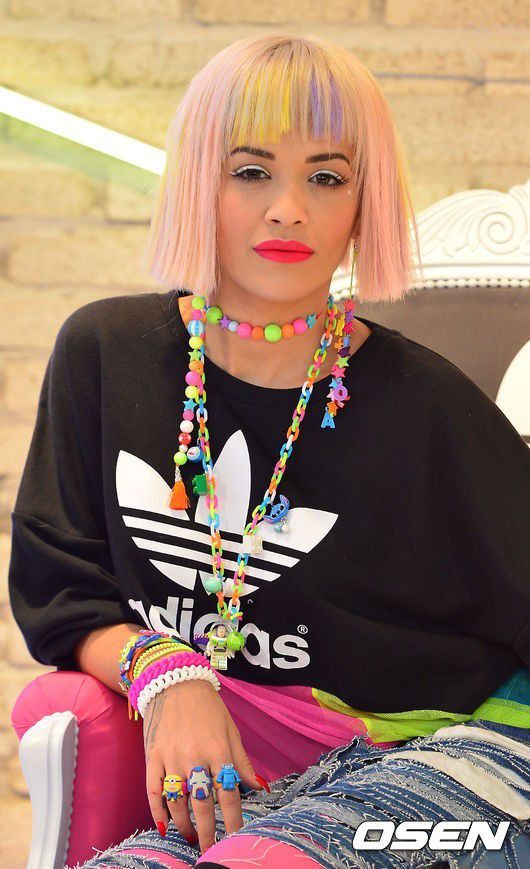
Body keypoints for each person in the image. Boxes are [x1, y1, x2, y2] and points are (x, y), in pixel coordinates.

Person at [8, 32, 530, 869]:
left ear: (363, 201)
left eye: (326, 177)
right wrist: (168, 670)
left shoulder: (425, 401)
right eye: (252, 171)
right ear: (198, 181)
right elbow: (62, 591)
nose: (288, 207)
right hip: (248, 773)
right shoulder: (105, 353)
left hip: (446, 752)